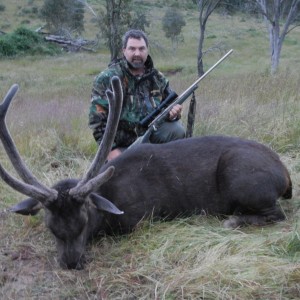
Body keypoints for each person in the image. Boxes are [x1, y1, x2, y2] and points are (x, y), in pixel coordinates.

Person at [88, 29, 185, 161]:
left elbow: (171, 105)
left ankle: (167, 166)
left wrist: (174, 114)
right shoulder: (106, 79)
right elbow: (97, 122)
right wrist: (111, 151)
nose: (137, 53)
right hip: (121, 145)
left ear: (147, 50)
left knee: (176, 130)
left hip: (149, 137)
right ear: (124, 50)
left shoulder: (157, 78)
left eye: (141, 49)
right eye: (132, 49)